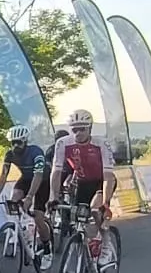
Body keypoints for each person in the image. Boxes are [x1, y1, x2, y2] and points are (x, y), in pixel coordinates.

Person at [49, 111, 118, 261]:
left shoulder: (101, 144)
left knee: (95, 209)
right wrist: (53, 197)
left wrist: (105, 204)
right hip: (82, 182)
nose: (78, 133)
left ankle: (106, 243)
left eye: (82, 129)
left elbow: (108, 177)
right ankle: (87, 246)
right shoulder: (63, 143)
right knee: (79, 218)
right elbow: (56, 172)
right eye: (74, 129)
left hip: (102, 181)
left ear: (90, 129)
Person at [0, 125, 54, 259]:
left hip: (43, 180)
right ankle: (21, 230)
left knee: (38, 216)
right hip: (26, 178)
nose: (16, 145)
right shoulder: (9, 154)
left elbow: (38, 176)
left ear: (25, 141)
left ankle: (47, 248)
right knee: (14, 199)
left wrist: (29, 197)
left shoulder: (36, 152)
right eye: (13, 142)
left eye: (19, 142)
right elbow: (3, 176)